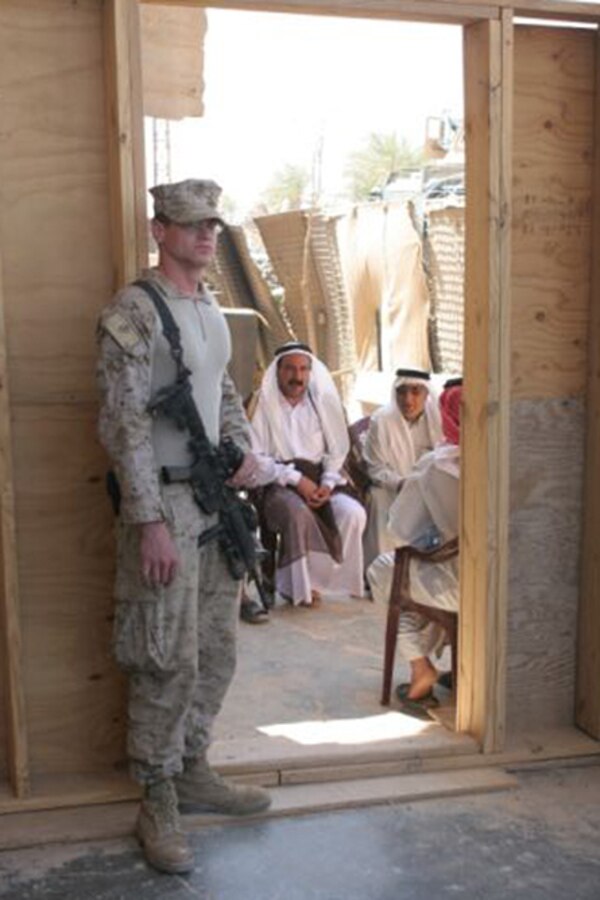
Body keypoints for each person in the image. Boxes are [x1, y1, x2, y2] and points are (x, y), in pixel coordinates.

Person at [96, 179, 271, 876]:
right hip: (163, 505)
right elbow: (124, 424)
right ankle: (158, 796)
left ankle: (194, 765)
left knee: (215, 649)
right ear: (159, 230)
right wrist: (148, 523)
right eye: (190, 224)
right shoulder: (134, 312)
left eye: (211, 225)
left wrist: (243, 450)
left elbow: (221, 391)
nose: (205, 235)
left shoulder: (208, 310)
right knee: (164, 654)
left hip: (210, 503)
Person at [367, 379, 462, 712]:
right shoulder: (502, 461)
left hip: (456, 584)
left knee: (384, 573)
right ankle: (465, 670)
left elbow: (401, 528)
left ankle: (421, 670)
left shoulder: (437, 465)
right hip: (500, 582)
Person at [250, 341, 367, 607]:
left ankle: (316, 581)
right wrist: (296, 480)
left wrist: (326, 482)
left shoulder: (320, 404)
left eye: (303, 369)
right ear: (277, 371)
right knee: (297, 513)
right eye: (290, 369)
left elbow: (336, 451)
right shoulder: (262, 405)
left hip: (320, 480)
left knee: (353, 513)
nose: (297, 376)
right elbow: (256, 460)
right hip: (276, 482)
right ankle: (296, 588)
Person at [362, 367, 442, 567]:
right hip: (392, 488)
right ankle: (382, 571)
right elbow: (375, 468)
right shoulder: (381, 421)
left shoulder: (438, 420)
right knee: (378, 499)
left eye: (416, 392)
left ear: (426, 394)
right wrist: (400, 484)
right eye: (402, 392)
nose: (408, 400)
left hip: (428, 489)